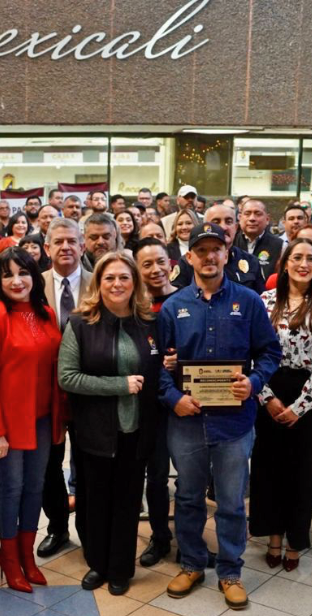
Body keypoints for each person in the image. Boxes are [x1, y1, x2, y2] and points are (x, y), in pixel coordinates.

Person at [158, 222, 282, 610]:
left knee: (230, 501)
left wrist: (256, 382)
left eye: (217, 249)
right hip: (187, 421)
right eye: (202, 250)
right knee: (190, 497)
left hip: (234, 421)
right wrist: (172, 396)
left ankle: (230, 571)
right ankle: (193, 563)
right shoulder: (173, 307)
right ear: (189, 257)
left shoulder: (248, 302)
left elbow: (270, 353)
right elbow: (157, 364)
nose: (210, 256)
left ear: (227, 254)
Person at [59, 250, 160, 594]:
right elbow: (67, 378)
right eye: (109, 278)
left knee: (128, 501)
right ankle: (97, 564)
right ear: (97, 284)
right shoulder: (79, 324)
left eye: (124, 278)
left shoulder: (149, 323)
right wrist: (120, 385)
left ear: (135, 284)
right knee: (93, 501)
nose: (117, 284)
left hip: (136, 431)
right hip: (95, 432)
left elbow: (157, 370)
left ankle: (120, 569)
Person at [0, 247, 64, 592]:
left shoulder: (46, 313)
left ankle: (27, 556)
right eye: (7, 274)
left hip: (42, 418)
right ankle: (9, 560)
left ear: (34, 276)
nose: (16, 280)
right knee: (12, 488)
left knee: (36, 487)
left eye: (23, 272)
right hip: (9, 423)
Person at [249, 239, 312, 571]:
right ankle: (273, 536)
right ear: (284, 263)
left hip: (310, 401)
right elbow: (253, 354)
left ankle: (294, 541)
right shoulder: (264, 302)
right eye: (297, 257)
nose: (304, 263)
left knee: (302, 475)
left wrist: (300, 407)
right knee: (269, 471)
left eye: (311, 259)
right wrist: (269, 398)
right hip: (269, 391)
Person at [35, 218, 90, 557]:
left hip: (88, 391)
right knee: (48, 465)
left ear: (82, 246)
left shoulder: (100, 282)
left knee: (87, 464)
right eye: (59, 242)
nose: (66, 247)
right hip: (45, 392)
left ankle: (89, 528)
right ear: (47, 248)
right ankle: (57, 528)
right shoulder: (32, 285)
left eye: (72, 241)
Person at [133, 238, 179, 566]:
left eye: (160, 261)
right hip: (147, 404)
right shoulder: (132, 306)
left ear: (171, 262)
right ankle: (160, 536)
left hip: (186, 401)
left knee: (192, 478)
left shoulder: (187, 297)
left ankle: (191, 539)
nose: (155, 270)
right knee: (157, 475)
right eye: (146, 264)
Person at [235, 198, 284, 284]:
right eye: (247, 214)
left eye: (258, 214)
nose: (252, 218)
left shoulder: (280, 246)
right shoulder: (231, 242)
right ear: (240, 218)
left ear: (267, 219)